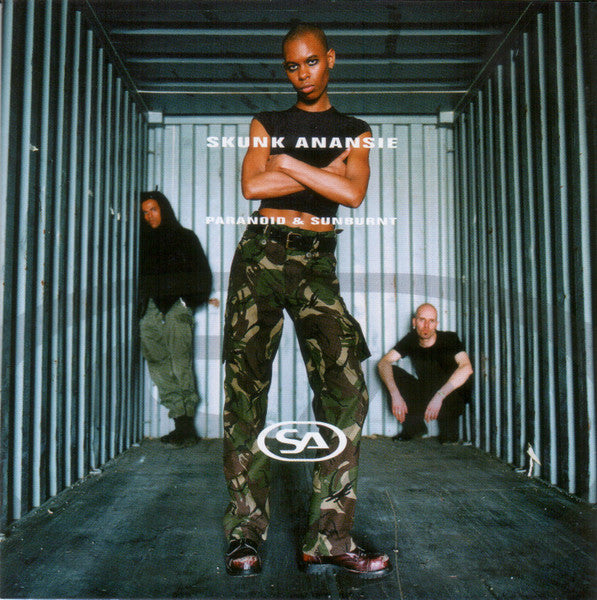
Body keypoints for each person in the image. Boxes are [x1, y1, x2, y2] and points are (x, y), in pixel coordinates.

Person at [221, 23, 391, 578]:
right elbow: (253, 186)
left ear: (330, 59)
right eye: (292, 66)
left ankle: (328, 538)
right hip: (261, 257)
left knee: (346, 389)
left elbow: (353, 193)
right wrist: (323, 173)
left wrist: (287, 165)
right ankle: (244, 538)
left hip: (318, 261)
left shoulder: (355, 130)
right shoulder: (266, 122)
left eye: (312, 62)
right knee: (245, 391)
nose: (303, 74)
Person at [139, 191, 217, 448]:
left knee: (180, 363)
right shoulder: (141, 241)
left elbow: (203, 274)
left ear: (164, 209)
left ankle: (186, 428)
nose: (149, 216)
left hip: (176, 308)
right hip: (150, 309)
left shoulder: (185, 237)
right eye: (144, 212)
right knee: (158, 364)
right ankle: (179, 422)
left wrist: (187, 302)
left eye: (153, 209)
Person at [377, 303, 473, 443]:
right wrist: (395, 394)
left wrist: (439, 396)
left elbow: (466, 368)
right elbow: (383, 363)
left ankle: (449, 430)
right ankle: (414, 427)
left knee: (448, 440)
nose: (426, 326)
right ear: (414, 322)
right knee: (392, 372)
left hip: (450, 396)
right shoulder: (411, 339)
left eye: (431, 321)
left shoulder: (449, 339)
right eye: (422, 320)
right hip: (428, 391)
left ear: (436, 324)